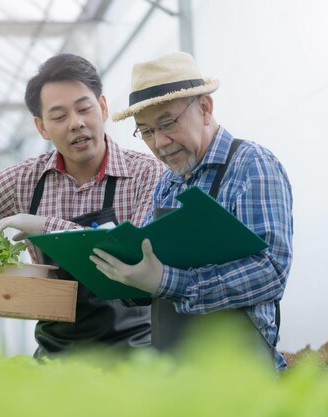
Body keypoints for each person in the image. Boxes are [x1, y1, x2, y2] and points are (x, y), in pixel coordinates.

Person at [0, 53, 164, 356]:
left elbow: (133, 254)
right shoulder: (24, 180)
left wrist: (44, 226)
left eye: (84, 109)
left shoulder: (147, 173)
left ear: (103, 107)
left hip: (137, 350)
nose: (76, 123)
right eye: (59, 117)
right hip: (56, 352)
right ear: (42, 127)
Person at [89, 51, 293, 370]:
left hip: (242, 376)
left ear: (205, 108)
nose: (159, 142)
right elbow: (151, 271)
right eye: (146, 131)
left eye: (167, 123)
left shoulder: (250, 166)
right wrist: (125, 275)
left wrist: (168, 282)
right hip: (178, 376)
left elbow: (270, 272)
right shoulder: (168, 183)